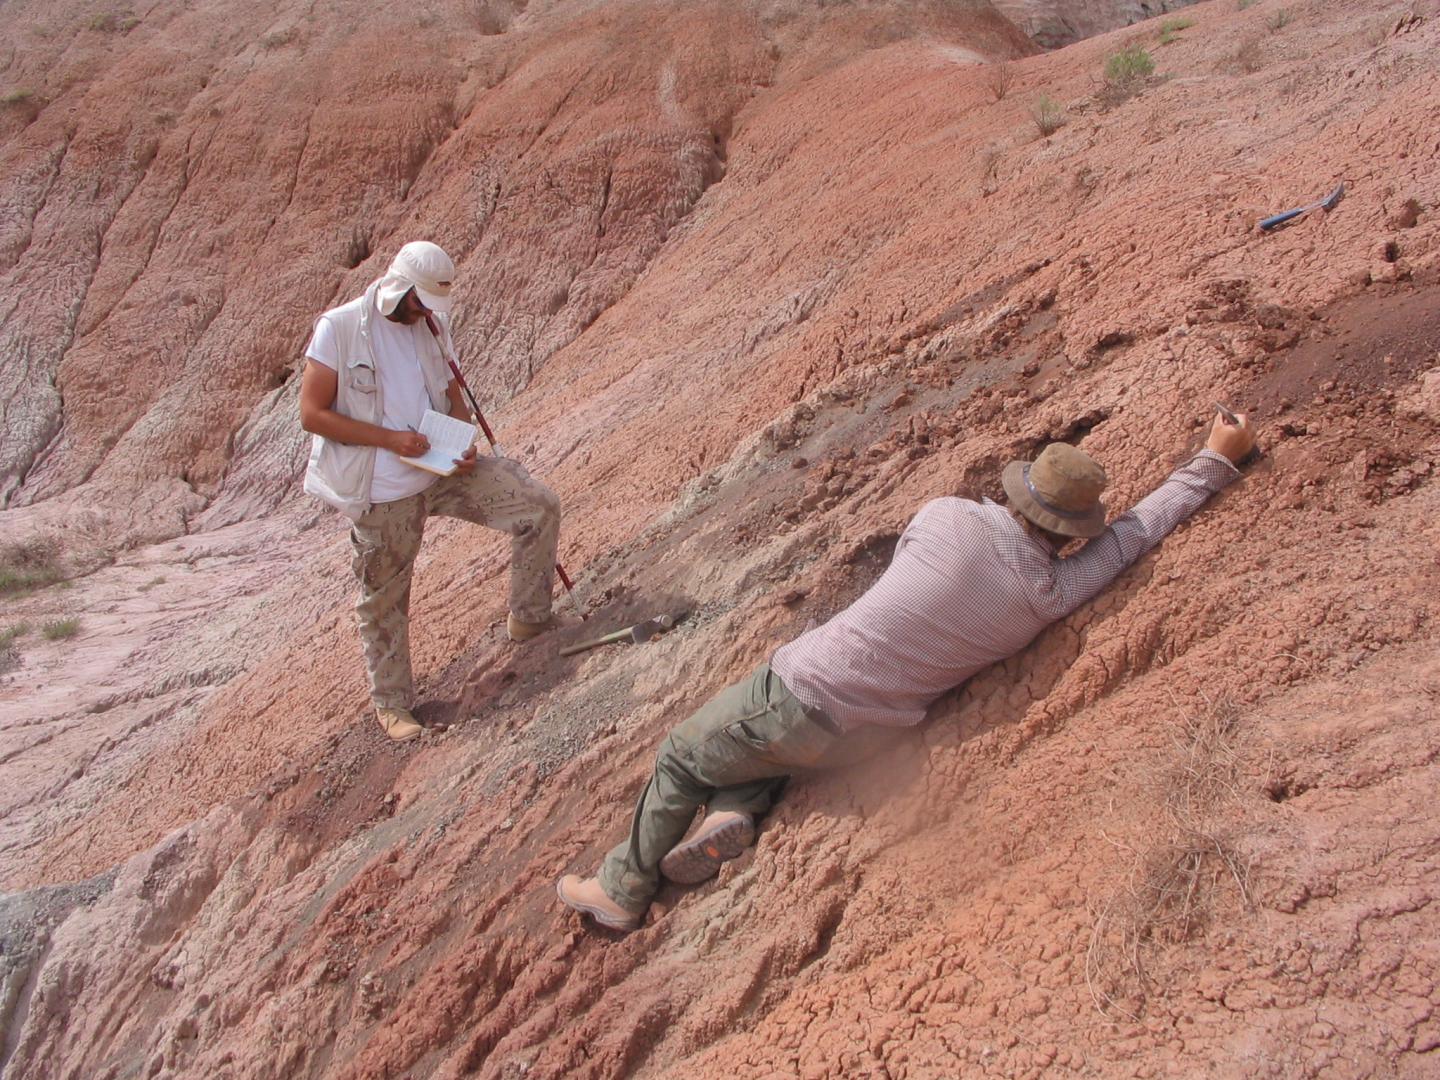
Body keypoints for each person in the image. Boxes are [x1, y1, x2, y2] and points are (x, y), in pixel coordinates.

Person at [557, 412, 1257, 929]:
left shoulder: (947, 515)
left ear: (1021, 493)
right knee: (766, 757)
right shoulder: (1050, 596)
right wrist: (1214, 461)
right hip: (870, 738)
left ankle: (621, 889)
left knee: (682, 755)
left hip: (799, 692)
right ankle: (735, 811)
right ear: (1075, 533)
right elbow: (1135, 535)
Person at [300, 241, 561, 742]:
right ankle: (393, 705)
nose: (423, 312)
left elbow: (452, 395)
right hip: (382, 490)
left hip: (441, 472)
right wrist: (390, 440)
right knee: (385, 597)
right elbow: (312, 414)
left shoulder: (433, 326)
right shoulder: (340, 329)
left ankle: (530, 619)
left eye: (429, 304)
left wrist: (462, 443)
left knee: (537, 506)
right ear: (397, 289)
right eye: (418, 302)